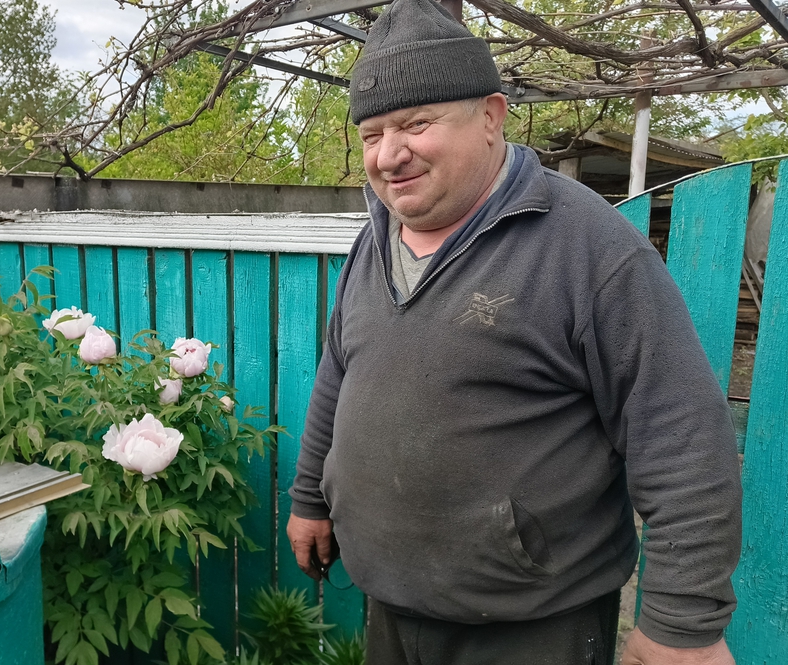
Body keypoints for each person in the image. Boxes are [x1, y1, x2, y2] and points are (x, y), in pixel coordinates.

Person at [285, 1, 742, 664]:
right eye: (371, 133)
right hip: (391, 601)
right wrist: (310, 498)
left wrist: (684, 625)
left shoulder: (589, 248)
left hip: (531, 625)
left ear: (492, 117)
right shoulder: (373, 241)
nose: (389, 154)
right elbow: (340, 374)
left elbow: (680, 435)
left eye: (415, 123)